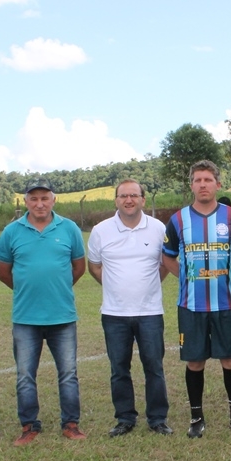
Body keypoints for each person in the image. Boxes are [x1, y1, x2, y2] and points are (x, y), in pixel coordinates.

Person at [0, 179, 87, 445]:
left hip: (62, 317)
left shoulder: (69, 228)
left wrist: (56, 288)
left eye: (44, 198)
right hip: (26, 318)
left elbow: (78, 268)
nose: (39, 204)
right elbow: (3, 272)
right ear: (25, 202)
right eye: (33, 199)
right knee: (25, 375)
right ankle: (29, 425)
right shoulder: (11, 232)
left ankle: (70, 423)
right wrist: (27, 289)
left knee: (68, 373)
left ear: (53, 200)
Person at [162, 160, 231, 438]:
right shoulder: (178, 220)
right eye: (197, 180)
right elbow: (167, 255)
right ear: (191, 185)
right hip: (192, 306)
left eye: (208, 180)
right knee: (194, 363)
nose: (203, 185)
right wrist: (187, 277)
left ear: (217, 184)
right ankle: (196, 417)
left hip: (226, 304)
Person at [87, 180, 173, 437]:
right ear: (116, 200)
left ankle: (157, 419)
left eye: (134, 195)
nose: (129, 200)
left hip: (150, 313)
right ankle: (125, 418)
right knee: (119, 369)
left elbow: (165, 264)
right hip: (114, 314)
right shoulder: (101, 230)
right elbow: (94, 266)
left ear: (143, 200)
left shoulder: (158, 228)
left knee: (154, 367)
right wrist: (114, 286)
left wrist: (146, 286)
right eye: (123, 196)